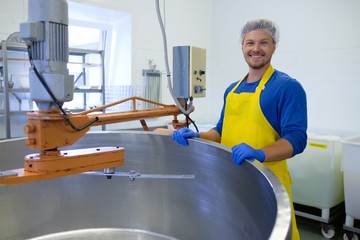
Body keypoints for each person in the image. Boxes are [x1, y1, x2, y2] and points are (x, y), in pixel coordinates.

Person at [171, 19, 307, 240]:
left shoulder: (287, 87)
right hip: (232, 180)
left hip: (268, 183)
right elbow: (220, 131)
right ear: (242, 47)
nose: (256, 49)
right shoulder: (232, 89)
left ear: (274, 46)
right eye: (249, 43)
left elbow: (297, 139)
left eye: (263, 42)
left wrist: (259, 153)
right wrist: (199, 136)